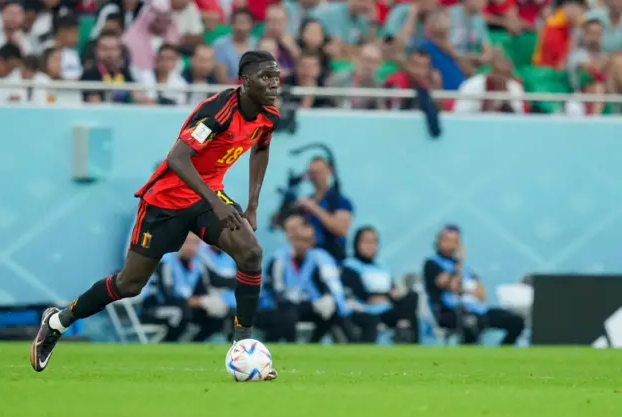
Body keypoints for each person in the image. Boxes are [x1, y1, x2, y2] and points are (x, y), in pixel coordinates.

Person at [30, 50, 281, 380]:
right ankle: (57, 322)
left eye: (276, 77)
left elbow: (261, 147)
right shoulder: (217, 112)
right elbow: (178, 158)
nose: (274, 83)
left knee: (251, 253)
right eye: (266, 77)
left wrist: (251, 205)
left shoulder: (268, 114)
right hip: (165, 202)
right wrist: (217, 202)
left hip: (206, 198)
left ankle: (242, 346)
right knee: (129, 284)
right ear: (245, 81)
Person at [422, 225, 525, 345]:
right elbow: (450, 285)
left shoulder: (466, 269)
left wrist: (468, 290)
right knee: (471, 323)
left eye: (455, 241)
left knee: (516, 321)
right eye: (447, 240)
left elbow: (481, 295)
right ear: (439, 241)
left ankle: (503, 352)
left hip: (476, 309)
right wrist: (459, 264)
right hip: (449, 312)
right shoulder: (432, 264)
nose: (450, 245)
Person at [262, 213, 354, 343]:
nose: (302, 243)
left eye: (307, 239)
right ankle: (291, 347)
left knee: (332, 311)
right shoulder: (279, 259)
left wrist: (328, 298)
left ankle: (320, 344)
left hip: (309, 304)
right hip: (282, 305)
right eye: (298, 238)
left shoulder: (319, 258)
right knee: (288, 312)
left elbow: (330, 284)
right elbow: (277, 291)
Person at [342, 227, 418, 343]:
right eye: (366, 241)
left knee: (412, 297)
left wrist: (388, 296)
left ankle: (406, 336)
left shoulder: (382, 267)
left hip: (386, 310)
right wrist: (388, 296)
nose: (370, 246)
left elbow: (393, 291)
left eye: (373, 242)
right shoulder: (351, 266)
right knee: (372, 320)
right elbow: (364, 296)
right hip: (364, 311)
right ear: (357, 243)